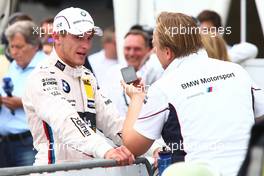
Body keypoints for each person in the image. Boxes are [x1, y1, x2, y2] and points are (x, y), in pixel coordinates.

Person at [121, 12, 264, 176]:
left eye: (155, 45)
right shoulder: (237, 71)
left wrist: (136, 98)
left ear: (167, 52)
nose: (154, 51)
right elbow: (261, 116)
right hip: (248, 171)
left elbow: (132, 145)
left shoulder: (163, 87)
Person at [22, 7, 134, 166]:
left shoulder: (86, 76)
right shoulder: (42, 76)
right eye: (78, 37)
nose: (86, 45)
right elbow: (66, 120)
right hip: (53, 171)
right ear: (56, 36)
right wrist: (106, 150)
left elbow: (113, 122)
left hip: (88, 170)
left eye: (89, 38)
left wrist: (153, 148)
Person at [0, 20, 46, 167]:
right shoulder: (14, 65)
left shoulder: (46, 66)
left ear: (34, 45)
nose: (13, 52)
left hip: (28, 144)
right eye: (11, 46)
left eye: (19, 47)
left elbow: (54, 102)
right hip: (5, 144)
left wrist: (21, 103)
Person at [101, 29, 163, 117]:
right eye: (127, 48)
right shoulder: (112, 72)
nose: (131, 53)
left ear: (148, 50)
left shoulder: (155, 72)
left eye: (137, 49)